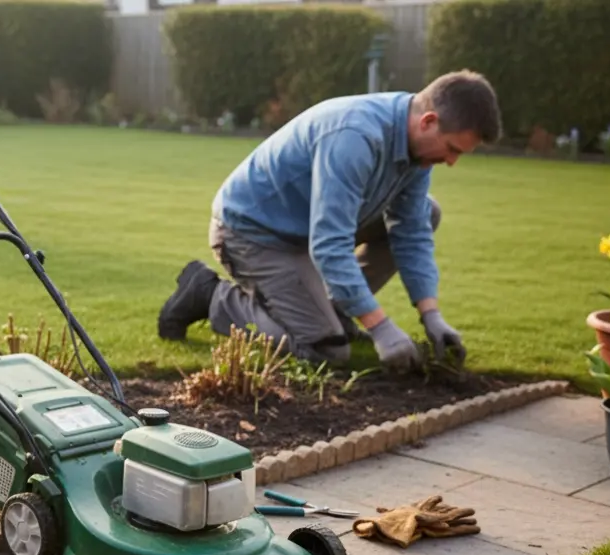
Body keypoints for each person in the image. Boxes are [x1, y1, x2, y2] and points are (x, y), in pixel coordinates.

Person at [157, 70, 502, 371]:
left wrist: (432, 316)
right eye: (453, 149)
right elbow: (330, 244)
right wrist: (379, 325)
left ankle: (332, 311)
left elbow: (411, 232)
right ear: (428, 121)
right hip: (252, 234)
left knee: (427, 213)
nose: (452, 161)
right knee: (326, 349)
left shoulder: (416, 152)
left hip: (306, 229)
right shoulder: (356, 136)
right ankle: (209, 294)